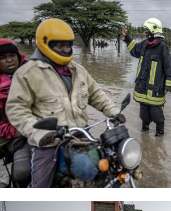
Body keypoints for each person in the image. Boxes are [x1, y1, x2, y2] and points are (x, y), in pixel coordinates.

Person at [6, 19, 126, 188]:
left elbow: (96, 94)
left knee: (106, 170)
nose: (65, 49)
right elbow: (17, 110)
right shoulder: (27, 73)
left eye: (68, 45)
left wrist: (114, 112)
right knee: (41, 188)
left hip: (81, 134)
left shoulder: (78, 70)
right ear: (44, 43)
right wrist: (39, 134)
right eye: (59, 45)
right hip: (49, 143)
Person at [122, 18, 171, 137]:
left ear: (153, 31)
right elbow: (134, 49)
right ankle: (145, 135)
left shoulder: (162, 46)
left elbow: (169, 66)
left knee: (157, 114)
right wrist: (127, 37)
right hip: (142, 87)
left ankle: (159, 135)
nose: (145, 33)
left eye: (147, 31)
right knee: (144, 113)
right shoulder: (144, 44)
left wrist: (169, 85)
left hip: (156, 89)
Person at [0, 39, 30, 187]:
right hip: (13, 134)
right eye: (3, 57)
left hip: (42, 125)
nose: (9, 60)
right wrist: (14, 131)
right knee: (22, 172)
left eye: (12, 55)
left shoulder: (33, 71)